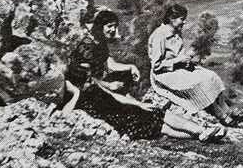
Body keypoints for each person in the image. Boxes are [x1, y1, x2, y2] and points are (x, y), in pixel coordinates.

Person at [58, 8, 165, 140]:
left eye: (115, 26)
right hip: (85, 94)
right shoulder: (86, 47)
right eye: (109, 26)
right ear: (99, 27)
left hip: (96, 89)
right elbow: (87, 79)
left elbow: (109, 64)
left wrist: (130, 67)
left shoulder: (100, 42)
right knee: (128, 114)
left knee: (128, 90)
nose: (113, 30)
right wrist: (108, 86)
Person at [148, 3, 243, 127]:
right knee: (199, 83)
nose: (184, 22)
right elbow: (156, 66)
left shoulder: (176, 33)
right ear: (172, 19)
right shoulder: (159, 36)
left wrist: (187, 59)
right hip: (164, 74)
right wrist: (178, 61)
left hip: (178, 68)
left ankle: (228, 111)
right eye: (182, 19)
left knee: (211, 76)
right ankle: (222, 116)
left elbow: (180, 54)